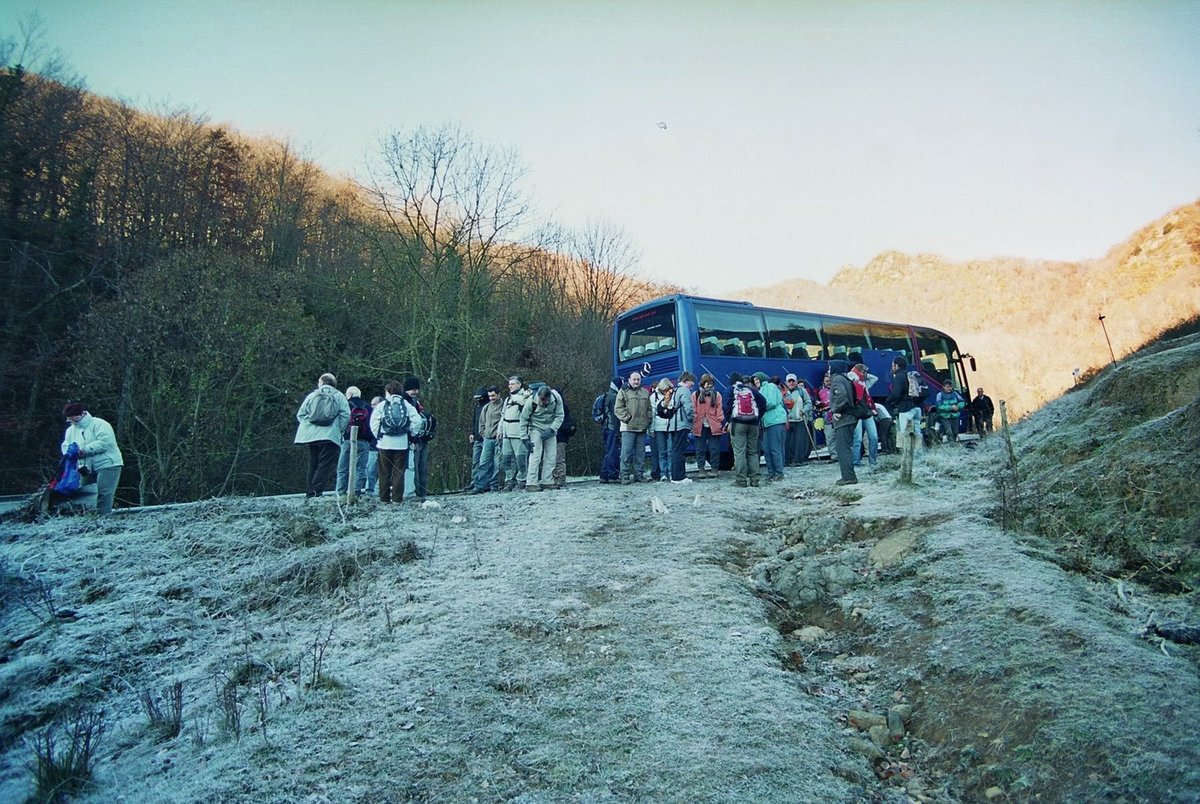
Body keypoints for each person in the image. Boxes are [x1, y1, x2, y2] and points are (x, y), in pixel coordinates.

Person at [58, 402, 124, 515]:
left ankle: (103, 518)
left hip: (108, 463)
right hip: (85, 467)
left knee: (104, 493)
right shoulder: (70, 431)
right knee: (86, 494)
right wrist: (70, 454)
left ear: (82, 414)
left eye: (74, 417)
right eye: (70, 418)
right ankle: (89, 518)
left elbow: (105, 442)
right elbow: (66, 446)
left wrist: (85, 450)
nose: (72, 420)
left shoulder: (100, 424)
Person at [295, 373, 350, 498]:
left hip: (312, 436)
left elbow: (301, 414)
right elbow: (346, 415)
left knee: (313, 462)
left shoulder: (312, 395)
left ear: (321, 382)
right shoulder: (339, 396)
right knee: (325, 464)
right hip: (330, 435)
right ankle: (316, 491)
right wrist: (339, 430)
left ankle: (310, 492)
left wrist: (308, 427)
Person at [371, 380, 420, 504]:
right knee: (399, 472)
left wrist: (378, 435)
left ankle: (384, 499)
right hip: (401, 443)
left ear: (388, 392)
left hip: (384, 443)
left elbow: (374, 422)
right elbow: (417, 421)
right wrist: (411, 434)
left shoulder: (382, 405)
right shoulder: (406, 405)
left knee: (384, 472)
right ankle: (397, 499)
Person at [723, 373, 767, 488]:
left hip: (738, 424)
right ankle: (755, 479)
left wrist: (729, 420)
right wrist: (757, 417)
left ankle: (741, 480)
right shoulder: (751, 390)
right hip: (753, 424)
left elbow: (726, 407)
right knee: (752, 452)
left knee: (739, 452)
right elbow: (763, 402)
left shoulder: (730, 390)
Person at [335, 386, 375, 499]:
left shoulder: (346, 405)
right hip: (364, 441)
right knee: (360, 468)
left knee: (343, 468)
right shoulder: (368, 407)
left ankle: (341, 492)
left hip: (348, 440)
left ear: (349, 395)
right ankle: (356, 491)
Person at [523, 384, 565, 492]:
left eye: (545, 401)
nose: (543, 403)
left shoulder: (556, 398)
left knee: (551, 455)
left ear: (549, 397)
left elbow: (560, 415)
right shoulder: (531, 401)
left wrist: (552, 429)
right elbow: (523, 419)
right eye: (541, 401)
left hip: (550, 428)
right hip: (535, 428)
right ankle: (531, 483)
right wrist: (524, 438)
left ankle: (547, 481)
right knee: (535, 455)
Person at [614, 371, 652, 484]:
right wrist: (627, 419)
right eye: (634, 379)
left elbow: (649, 409)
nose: (636, 381)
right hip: (628, 428)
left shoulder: (645, 392)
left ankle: (639, 475)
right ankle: (625, 476)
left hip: (642, 428)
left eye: (638, 379)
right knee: (626, 454)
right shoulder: (623, 392)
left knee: (641, 454)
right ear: (629, 380)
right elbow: (618, 409)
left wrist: (648, 420)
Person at [885, 357, 925, 457]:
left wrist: (887, 401)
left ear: (897, 365)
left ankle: (907, 456)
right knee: (917, 432)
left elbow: (896, 394)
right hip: (917, 408)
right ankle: (919, 455)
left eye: (893, 365)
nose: (892, 368)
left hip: (906, 409)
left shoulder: (899, 376)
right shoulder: (910, 375)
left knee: (905, 434)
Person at [498, 376, 532, 491]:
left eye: (512, 384)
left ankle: (522, 480)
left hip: (518, 433)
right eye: (509, 384)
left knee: (520, 459)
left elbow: (527, 412)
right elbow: (503, 416)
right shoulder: (508, 399)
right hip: (506, 433)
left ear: (519, 384)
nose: (510, 386)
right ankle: (509, 480)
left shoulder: (525, 397)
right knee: (505, 459)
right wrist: (500, 430)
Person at [827, 360, 859, 486]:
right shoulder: (846, 379)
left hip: (843, 419)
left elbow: (841, 395)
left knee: (842, 449)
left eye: (830, 368)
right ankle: (849, 475)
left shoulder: (837, 379)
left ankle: (848, 477)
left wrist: (836, 409)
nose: (828, 371)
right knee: (846, 448)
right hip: (850, 418)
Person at [753, 371, 786, 481]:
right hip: (765, 423)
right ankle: (771, 472)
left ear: (762, 378)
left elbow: (772, 402)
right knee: (767, 450)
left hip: (775, 421)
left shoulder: (771, 386)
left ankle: (779, 472)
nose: (756, 381)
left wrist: (758, 408)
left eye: (757, 379)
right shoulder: (760, 390)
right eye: (754, 380)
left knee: (775, 449)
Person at [403, 377, 433, 498]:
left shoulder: (415, 402)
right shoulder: (407, 403)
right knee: (414, 467)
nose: (416, 392)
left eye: (417, 389)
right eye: (413, 389)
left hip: (419, 439)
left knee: (421, 467)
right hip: (413, 440)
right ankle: (415, 492)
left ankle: (421, 492)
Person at [691, 373, 724, 478]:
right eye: (706, 383)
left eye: (710, 383)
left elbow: (719, 409)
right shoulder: (696, 394)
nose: (708, 385)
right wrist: (694, 420)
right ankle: (701, 470)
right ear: (702, 383)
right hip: (699, 425)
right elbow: (693, 409)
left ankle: (714, 469)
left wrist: (719, 420)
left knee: (714, 449)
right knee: (700, 449)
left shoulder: (717, 395)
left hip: (713, 424)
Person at [471, 386, 503, 494]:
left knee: (496, 464)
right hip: (487, 439)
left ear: (498, 394)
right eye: (489, 396)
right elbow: (481, 423)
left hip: (498, 439)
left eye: (493, 395)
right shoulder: (486, 407)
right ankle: (479, 486)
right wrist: (483, 434)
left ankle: (494, 485)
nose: (491, 398)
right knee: (483, 463)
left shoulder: (504, 406)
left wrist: (500, 433)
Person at [665, 371, 695, 483]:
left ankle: (675, 475)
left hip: (673, 424)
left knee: (675, 450)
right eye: (691, 381)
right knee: (680, 451)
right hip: (681, 424)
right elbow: (688, 407)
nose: (693, 384)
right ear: (686, 381)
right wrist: (691, 419)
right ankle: (679, 477)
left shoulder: (675, 390)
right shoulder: (685, 390)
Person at [849, 364, 879, 470]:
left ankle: (873, 461)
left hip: (866, 412)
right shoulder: (852, 382)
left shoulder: (864, 384)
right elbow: (849, 376)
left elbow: (875, 378)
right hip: (856, 414)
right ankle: (856, 462)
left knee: (874, 437)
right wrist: (855, 374)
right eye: (863, 372)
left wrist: (863, 375)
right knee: (857, 439)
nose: (865, 374)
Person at [783, 374, 813, 466]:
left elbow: (808, 403)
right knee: (787, 441)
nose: (791, 383)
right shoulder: (783, 392)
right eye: (789, 381)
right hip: (787, 420)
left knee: (799, 441)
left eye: (793, 381)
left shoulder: (802, 391)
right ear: (786, 382)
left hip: (799, 419)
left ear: (796, 382)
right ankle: (787, 460)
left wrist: (804, 411)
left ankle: (798, 461)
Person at [599, 377, 623, 483]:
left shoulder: (607, 395)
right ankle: (613, 475)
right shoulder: (614, 397)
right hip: (612, 428)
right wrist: (618, 431)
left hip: (606, 427)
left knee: (608, 451)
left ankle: (604, 475)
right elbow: (615, 416)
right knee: (613, 452)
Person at [649, 378, 673, 482]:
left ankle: (671, 472)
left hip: (670, 427)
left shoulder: (673, 395)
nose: (665, 392)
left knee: (670, 451)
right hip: (659, 427)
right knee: (661, 451)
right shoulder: (653, 397)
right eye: (663, 390)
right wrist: (651, 429)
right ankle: (663, 473)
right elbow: (652, 414)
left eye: (666, 390)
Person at [552, 389, 575, 490]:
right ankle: (558, 478)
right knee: (558, 459)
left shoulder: (560, 407)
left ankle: (560, 479)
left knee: (558, 459)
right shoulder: (563, 406)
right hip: (561, 437)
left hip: (559, 437)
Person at [466, 387, 489, 488]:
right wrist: (472, 433)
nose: (478, 400)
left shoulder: (488, 406)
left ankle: (484, 483)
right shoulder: (477, 406)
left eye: (480, 398)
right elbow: (474, 421)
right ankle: (474, 482)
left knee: (485, 462)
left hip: (485, 437)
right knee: (475, 462)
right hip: (477, 438)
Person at [934, 381, 965, 445]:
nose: (949, 388)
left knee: (955, 432)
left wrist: (958, 407)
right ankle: (952, 446)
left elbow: (962, 401)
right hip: (944, 417)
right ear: (944, 387)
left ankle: (953, 443)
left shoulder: (955, 394)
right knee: (949, 432)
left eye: (950, 387)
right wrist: (951, 407)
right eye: (947, 387)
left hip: (954, 416)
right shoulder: (939, 395)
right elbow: (939, 406)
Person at [364, 396, 383, 494]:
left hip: (383, 446)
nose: (372, 406)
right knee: (370, 469)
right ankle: (369, 490)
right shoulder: (369, 415)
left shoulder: (385, 415)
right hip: (372, 447)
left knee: (384, 470)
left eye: (374, 404)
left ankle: (379, 490)